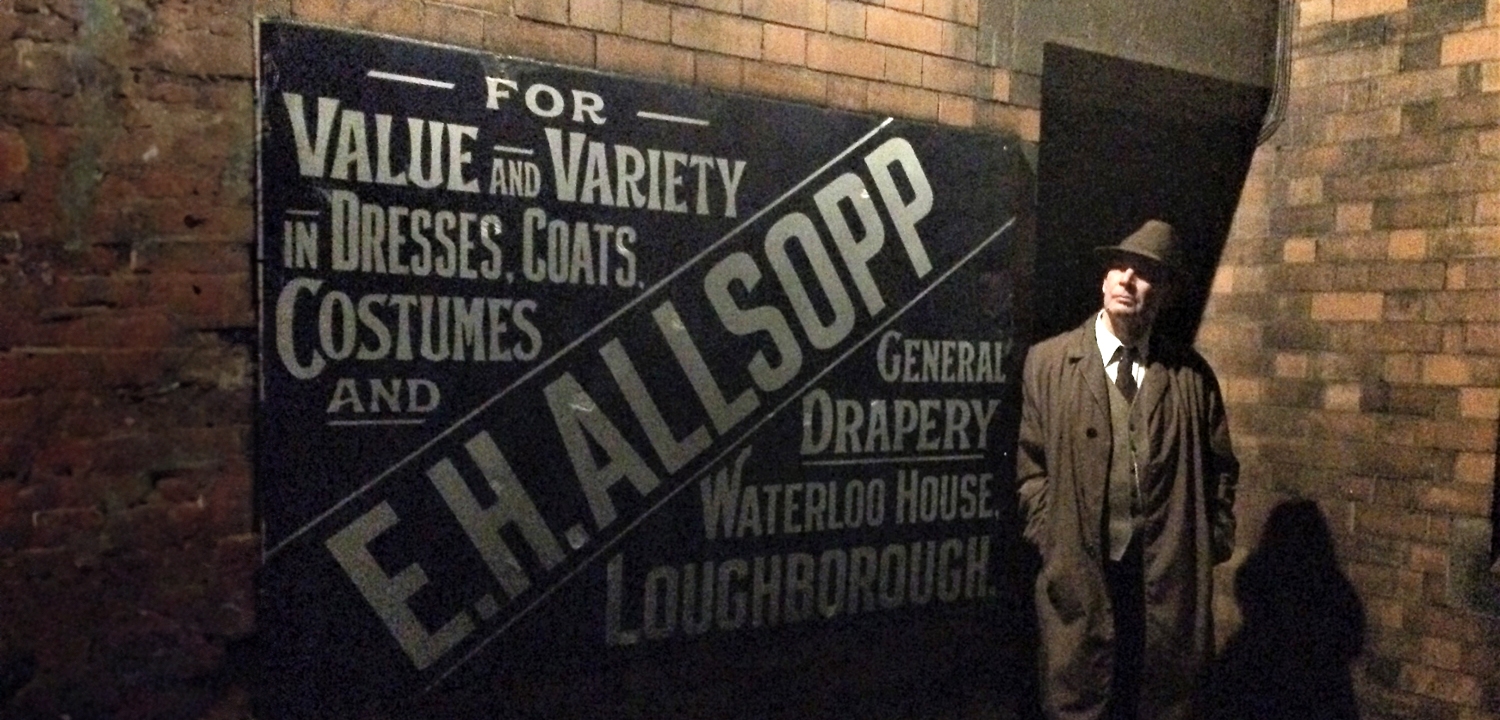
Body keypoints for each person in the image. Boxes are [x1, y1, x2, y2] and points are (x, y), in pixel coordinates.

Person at [1016, 219, 1239, 720]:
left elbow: (1221, 470)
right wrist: (1053, 538)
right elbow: (1031, 468)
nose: (1127, 279)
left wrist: (1209, 541)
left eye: (1144, 272)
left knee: (1155, 695)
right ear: (1103, 280)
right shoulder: (1049, 362)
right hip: (1080, 573)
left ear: (1164, 294)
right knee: (1081, 692)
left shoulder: (1191, 377)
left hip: (1162, 579)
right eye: (1119, 267)